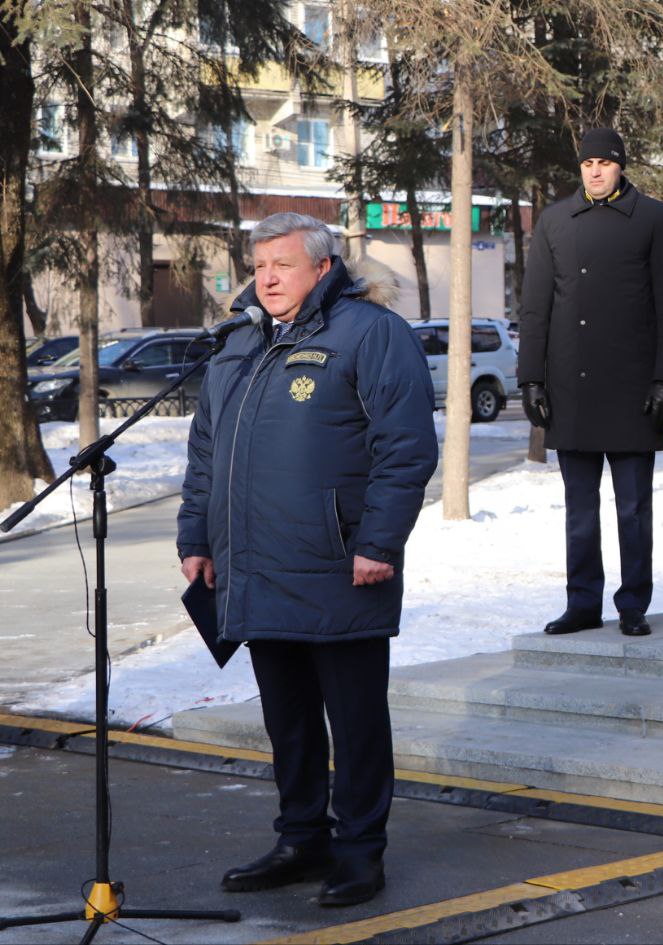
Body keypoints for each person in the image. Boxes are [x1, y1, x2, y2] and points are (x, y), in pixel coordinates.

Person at [177, 213, 439, 906]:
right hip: (256, 566)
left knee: (353, 722)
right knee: (287, 716)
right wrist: (195, 539)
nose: (266, 277)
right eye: (260, 263)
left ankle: (359, 851)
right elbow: (206, 452)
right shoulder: (238, 341)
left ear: (322, 269)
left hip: (340, 564)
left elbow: (406, 447)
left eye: (282, 264)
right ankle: (302, 837)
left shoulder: (371, 333)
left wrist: (380, 542)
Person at [517, 128, 663, 637]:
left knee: (634, 508)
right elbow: (535, 309)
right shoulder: (554, 221)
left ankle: (633, 602)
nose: (595, 171)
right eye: (587, 163)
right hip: (571, 387)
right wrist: (531, 378)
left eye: (605, 163)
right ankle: (582, 602)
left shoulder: (654, 219)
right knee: (579, 510)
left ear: (621, 166)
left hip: (635, 390)